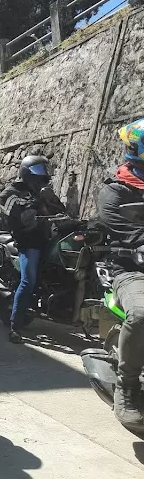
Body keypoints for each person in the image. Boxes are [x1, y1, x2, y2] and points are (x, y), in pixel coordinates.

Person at [97, 119, 144, 428]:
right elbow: (130, 235)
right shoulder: (116, 192)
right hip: (132, 272)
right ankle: (126, 386)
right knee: (141, 313)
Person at [0, 155, 56, 344]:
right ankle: (15, 326)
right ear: (26, 172)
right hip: (28, 242)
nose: (42, 176)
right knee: (28, 281)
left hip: (47, 239)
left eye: (44, 171)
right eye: (38, 171)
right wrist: (35, 204)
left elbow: (59, 210)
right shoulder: (11, 192)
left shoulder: (42, 193)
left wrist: (53, 204)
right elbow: (14, 210)